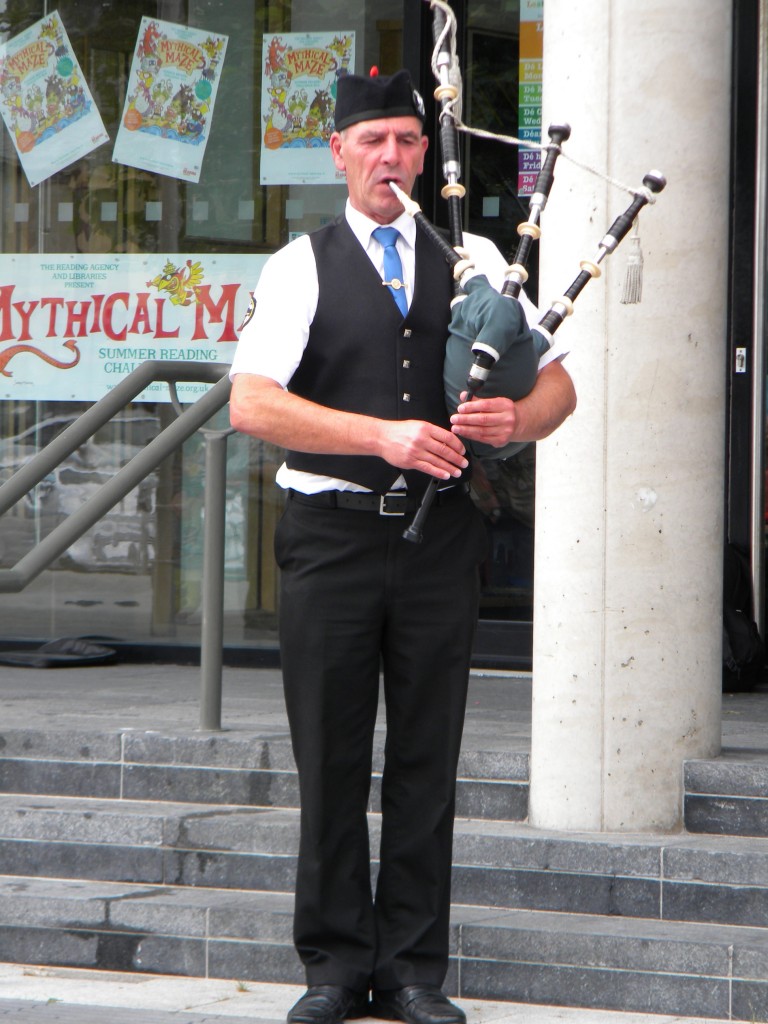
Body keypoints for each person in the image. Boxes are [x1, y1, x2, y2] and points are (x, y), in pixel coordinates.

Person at [229, 69, 576, 1024]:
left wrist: (516, 416)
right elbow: (252, 403)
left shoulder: (474, 258)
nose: (391, 158)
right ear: (338, 153)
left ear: (426, 155)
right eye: (373, 141)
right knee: (332, 758)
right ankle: (335, 969)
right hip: (332, 538)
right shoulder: (300, 264)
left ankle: (416, 971)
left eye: (408, 142)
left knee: (428, 756)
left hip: (439, 543)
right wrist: (378, 435)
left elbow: (558, 389)